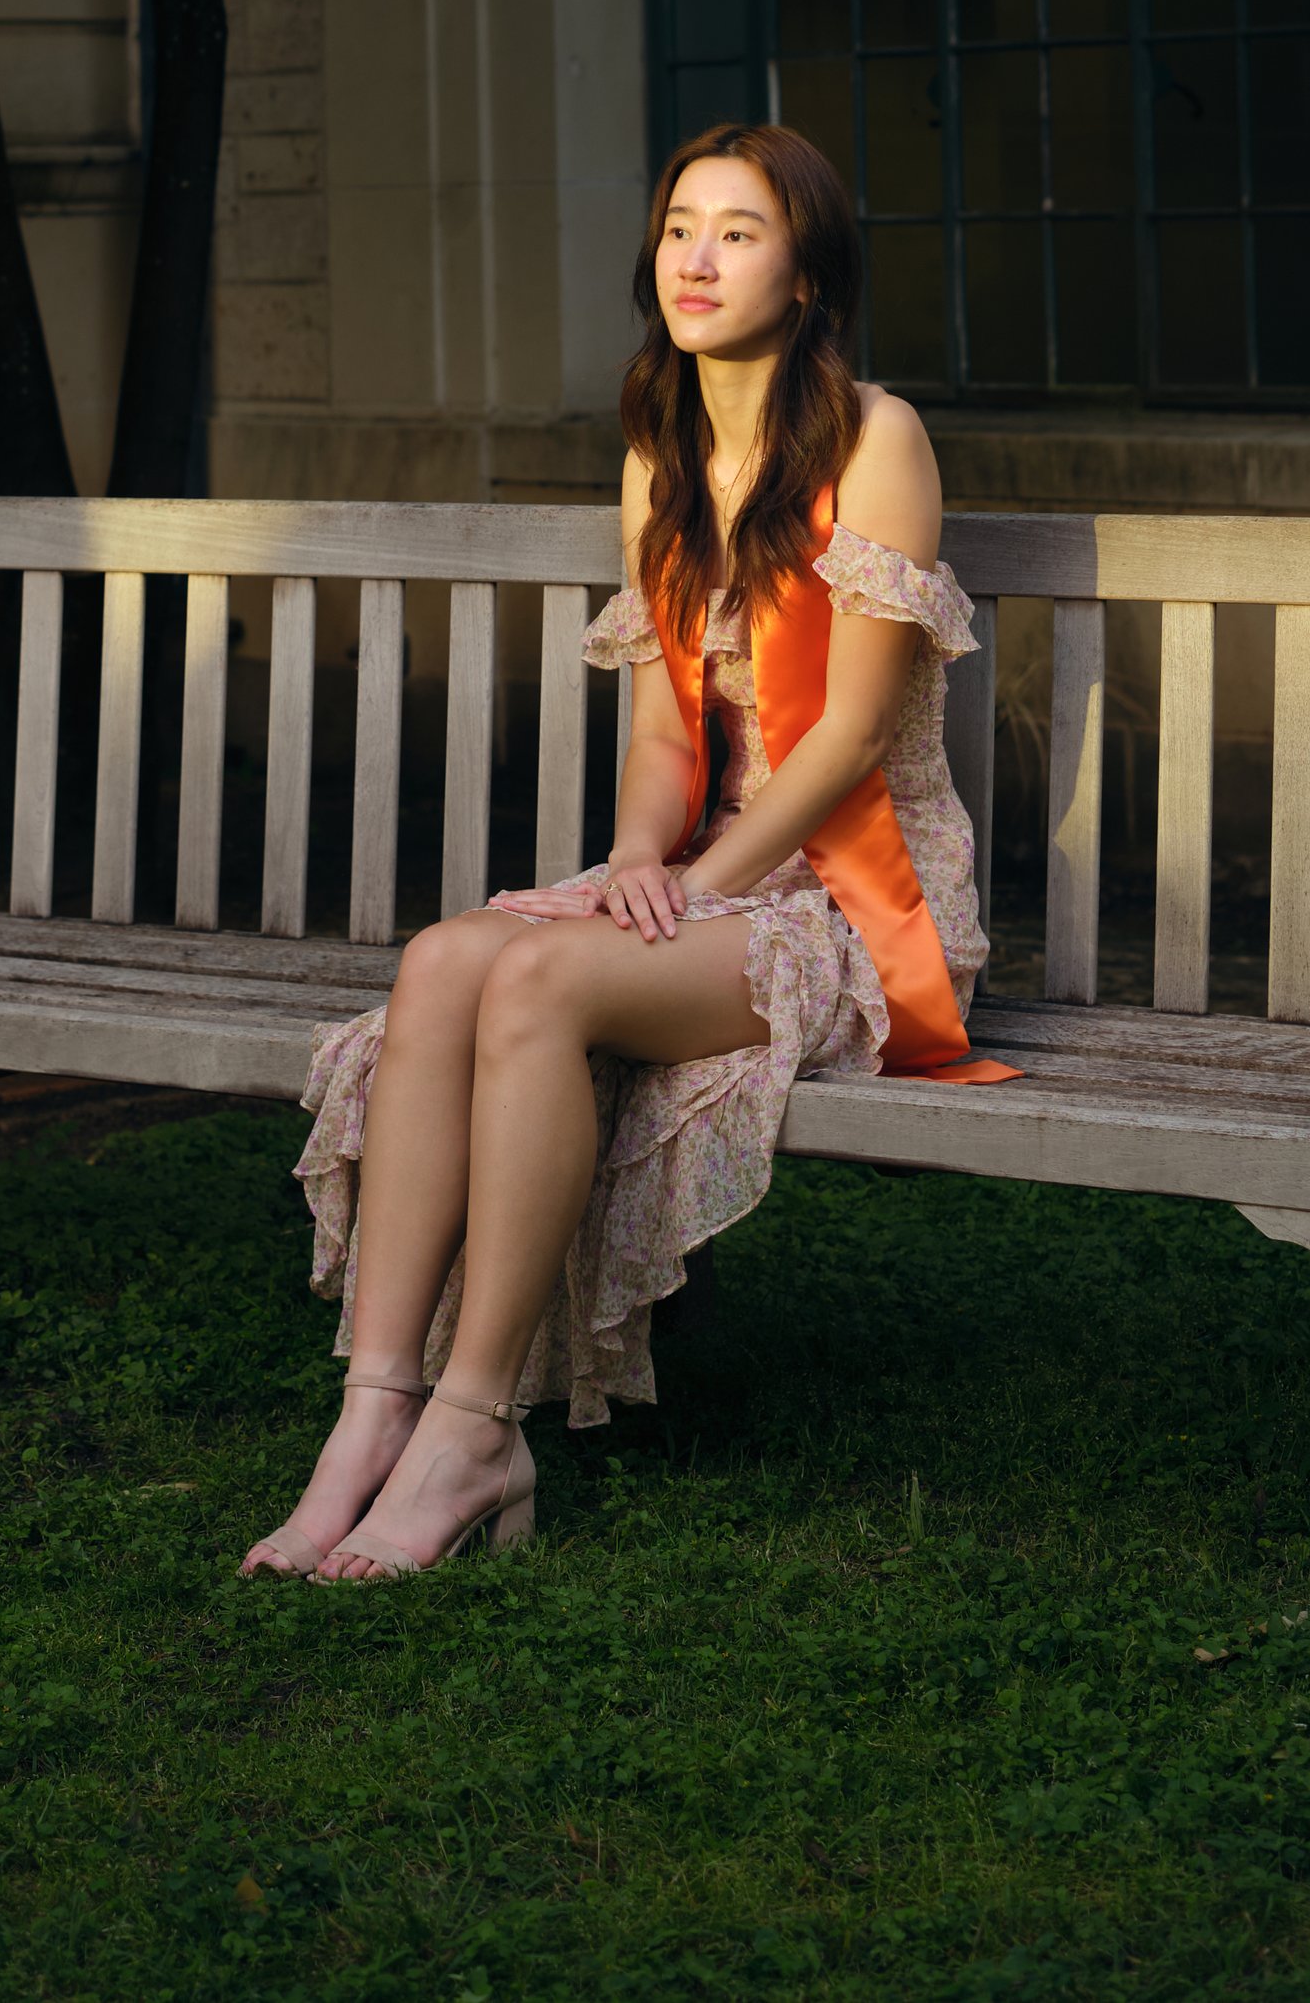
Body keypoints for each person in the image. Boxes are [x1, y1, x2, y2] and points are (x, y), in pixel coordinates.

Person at [239, 120, 1008, 1586]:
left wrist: (690, 894)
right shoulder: (663, 457)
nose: (699, 258)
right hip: (716, 871)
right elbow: (667, 727)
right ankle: (373, 1404)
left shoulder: (874, 439)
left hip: (853, 900)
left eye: (739, 229)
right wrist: (637, 862)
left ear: (808, 272)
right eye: (678, 228)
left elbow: (847, 738)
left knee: (538, 988)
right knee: (447, 961)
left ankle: (476, 1429)